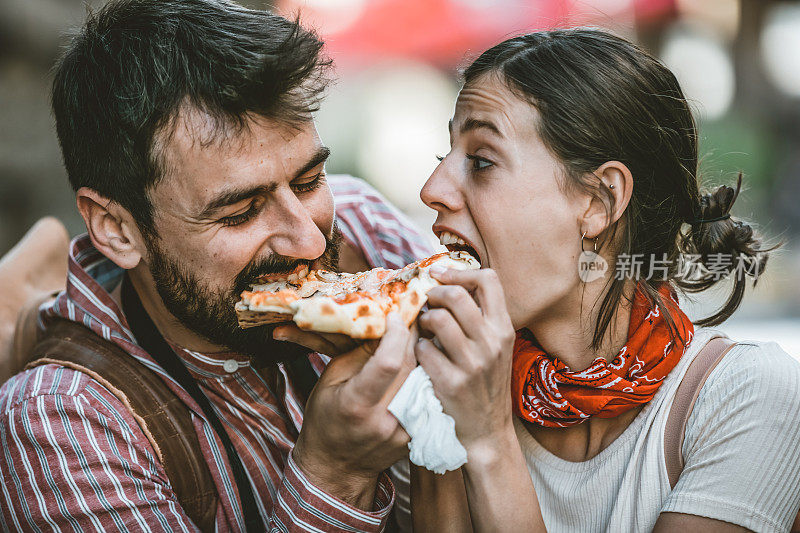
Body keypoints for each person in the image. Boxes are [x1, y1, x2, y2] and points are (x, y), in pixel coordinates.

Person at [0, 0, 432, 530]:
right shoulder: (64, 423)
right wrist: (335, 473)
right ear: (117, 229)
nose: (305, 239)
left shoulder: (365, 225)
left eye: (308, 180)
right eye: (241, 211)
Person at [410, 29, 800, 532]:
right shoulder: (446, 388)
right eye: (445, 157)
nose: (432, 189)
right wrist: (435, 419)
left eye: (481, 161)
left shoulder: (746, 396)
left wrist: (487, 441)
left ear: (599, 202)